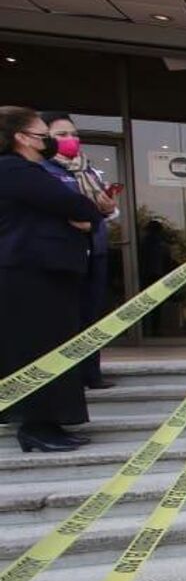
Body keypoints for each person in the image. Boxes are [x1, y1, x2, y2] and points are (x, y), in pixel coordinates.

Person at [0, 106, 105, 453]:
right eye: (42, 134)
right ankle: (36, 425)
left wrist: (83, 215)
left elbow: (85, 212)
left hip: (46, 276)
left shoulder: (30, 171)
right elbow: (81, 208)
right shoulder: (14, 170)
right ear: (21, 137)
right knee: (37, 350)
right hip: (30, 275)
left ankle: (51, 422)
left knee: (54, 347)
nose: (50, 140)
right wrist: (80, 215)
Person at [42, 111, 117, 390]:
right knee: (65, 318)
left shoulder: (89, 171)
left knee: (91, 315)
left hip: (95, 251)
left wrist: (107, 208)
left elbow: (102, 213)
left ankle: (90, 372)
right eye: (62, 135)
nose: (71, 140)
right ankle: (66, 378)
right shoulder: (43, 171)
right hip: (63, 255)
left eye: (74, 134)